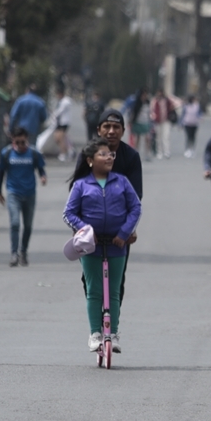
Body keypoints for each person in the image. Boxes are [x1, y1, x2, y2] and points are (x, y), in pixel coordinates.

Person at [64, 138, 141, 354]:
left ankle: (113, 334)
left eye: (111, 155)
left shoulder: (122, 181)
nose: (109, 157)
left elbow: (135, 208)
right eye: (103, 154)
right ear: (90, 160)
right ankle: (95, 334)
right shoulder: (81, 185)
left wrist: (124, 233)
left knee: (114, 291)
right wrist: (86, 230)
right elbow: (68, 213)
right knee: (94, 290)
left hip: (117, 244)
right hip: (90, 246)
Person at [94, 109, 143, 302]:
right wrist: (78, 228)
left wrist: (129, 229)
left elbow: (136, 197)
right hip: (92, 227)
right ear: (99, 130)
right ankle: (96, 328)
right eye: (107, 126)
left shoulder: (130, 156)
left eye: (116, 127)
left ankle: (112, 327)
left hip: (120, 230)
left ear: (123, 131)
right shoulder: (88, 155)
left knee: (117, 281)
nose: (111, 131)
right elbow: (75, 191)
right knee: (90, 280)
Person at [0, 127, 47, 267]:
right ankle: (14, 253)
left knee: (28, 225)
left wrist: (43, 177)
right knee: (14, 223)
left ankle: (23, 251)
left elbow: (41, 168)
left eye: (22, 142)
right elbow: (1, 172)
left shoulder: (34, 153)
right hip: (13, 192)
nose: (20, 145)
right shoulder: (6, 153)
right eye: (17, 142)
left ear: (27, 140)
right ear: (13, 140)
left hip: (29, 193)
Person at [50, 87, 74, 162]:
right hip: (60, 122)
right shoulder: (62, 101)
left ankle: (63, 153)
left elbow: (60, 111)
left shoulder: (65, 101)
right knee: (60, 138)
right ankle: (70, 150)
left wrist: (53, 114)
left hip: (64, 122)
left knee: (60, 138)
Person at [150, 89, 173, 160]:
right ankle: (159, 152)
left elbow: (172, 107)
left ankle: (167, 151)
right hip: (157, 121)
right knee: (158, 138)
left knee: (166, 136)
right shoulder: (155, 101)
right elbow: (152, 110)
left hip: (166, 121)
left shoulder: (167, 100)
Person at [125, 88, 150, 152]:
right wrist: (130, 121)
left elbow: (149, 112)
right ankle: (136, 151)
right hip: (138, 121)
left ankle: (147, 151)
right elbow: (134, 112)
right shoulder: (137, 103)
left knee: (147, 138)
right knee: (137, 138)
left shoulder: (147, 102)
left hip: (146, 121)